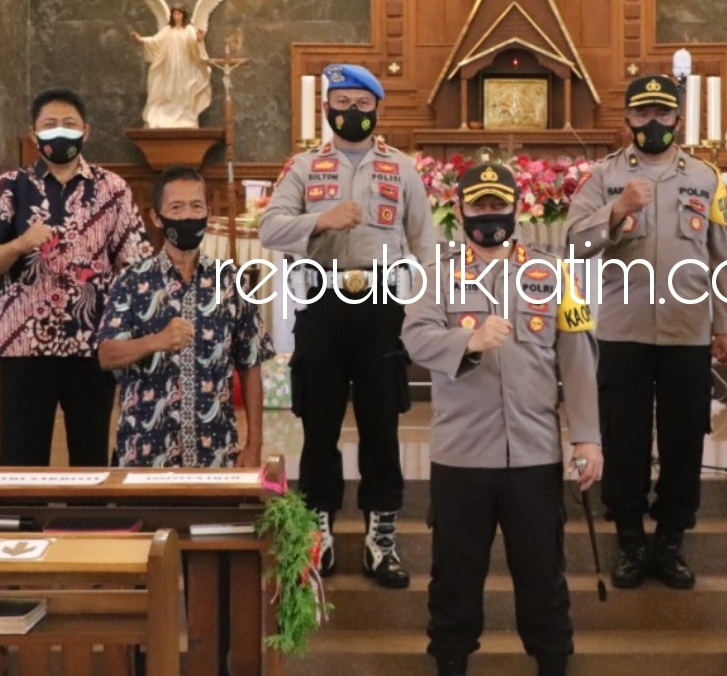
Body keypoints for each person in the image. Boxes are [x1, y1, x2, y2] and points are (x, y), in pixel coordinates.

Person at [403, 162, 603, 676]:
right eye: (478, 206)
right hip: (461, 457)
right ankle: (450, 661)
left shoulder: (554, 272)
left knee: (543, 574)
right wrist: (466, 340)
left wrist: (587, 438)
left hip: (535, 455)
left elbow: (578, 360)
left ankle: (552, 662)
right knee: (454, 577)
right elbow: (415, 337)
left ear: (516, 209)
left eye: (498, 205)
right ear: (461, 210)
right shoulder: (436, 275)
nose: (488, 216)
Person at [258, 63, 440, 588]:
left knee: (382, 425)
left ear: (378, 109)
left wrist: (428, 307)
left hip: (383, 302)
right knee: (319, 426)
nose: (353, 112)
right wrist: (321, 219)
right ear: (327, 107)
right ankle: (321, 534)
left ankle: (381, 538)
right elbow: (270, 228)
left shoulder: (401, 168)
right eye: (343, 103)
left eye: (363, 104)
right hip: (322, 301)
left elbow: (424, 242)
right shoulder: (302, 166)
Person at [566, 75, 727, 591]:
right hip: (624, 329)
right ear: (627, 120)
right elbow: (574, 243)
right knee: (623, 438)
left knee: (686, 436)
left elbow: (726, 256)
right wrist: (616, 211)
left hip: (688, 330)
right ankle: (628, 537)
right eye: (643, 114)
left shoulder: (707, 179)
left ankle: (669, 539)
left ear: (679, 119)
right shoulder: (602, 177)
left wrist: (726, 324)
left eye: (663, 114)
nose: (653, 123)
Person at [0, 88, 151, 467]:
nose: (60, 132)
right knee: (21, 457)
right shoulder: (9, 186)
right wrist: (20, 243)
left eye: (69, 125)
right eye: (50, 125)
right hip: (24, 344)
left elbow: (135, 264)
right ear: (33, 135)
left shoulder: (112, 188)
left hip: (92, 342)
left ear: (86, 132)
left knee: (90, 455)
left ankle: (86, 526)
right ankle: (22, 525)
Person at [96, 167, 274, 468]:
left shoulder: (231, 281)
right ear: (156, 217)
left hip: (216, 453)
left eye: (196, 206)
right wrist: (155, 341)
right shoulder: (131, 281)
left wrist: (254, 443)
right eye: (176, 208)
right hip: (145, 455)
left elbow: (251, 363)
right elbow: (107, 354)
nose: (188, 216)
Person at [130, 5, 213, 128]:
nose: (176, 16)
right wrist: (141, 39)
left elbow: (194, 42)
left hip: (185, 65)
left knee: (184, 89)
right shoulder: (168, 29)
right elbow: (156, 40)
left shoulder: (189, 29)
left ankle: (185, 116)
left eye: (179, 14)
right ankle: (167, 116)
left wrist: (199, 40)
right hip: (171, 66)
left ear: (183, 15)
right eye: (174, 14)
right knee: (169, 89)